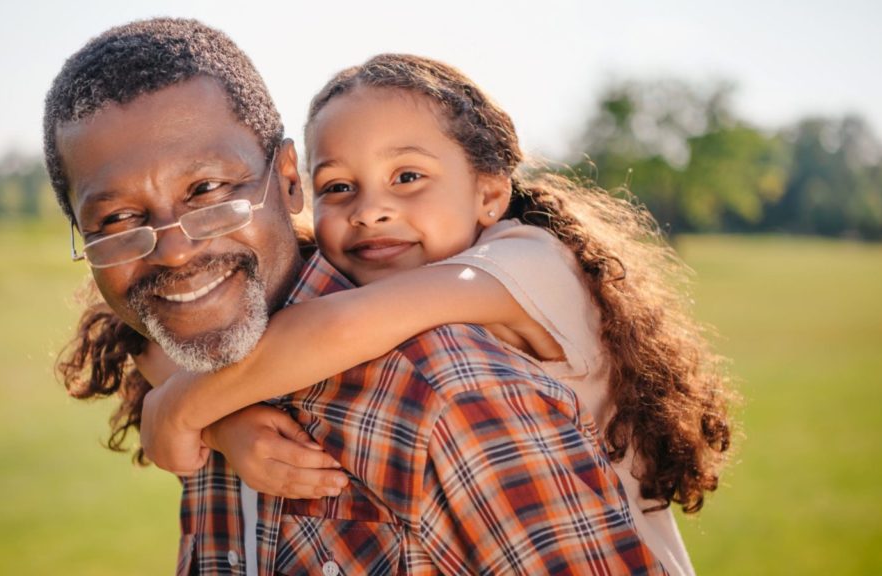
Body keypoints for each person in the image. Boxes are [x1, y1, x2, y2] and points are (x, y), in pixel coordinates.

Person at [47, 18, 668, 574]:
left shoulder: (466, 364)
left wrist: (183, 410)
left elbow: (345, 328)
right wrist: (221, 423)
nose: (372, 211)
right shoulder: (221, 334)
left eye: (207, 188)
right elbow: (148, 337)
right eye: (341, 186)